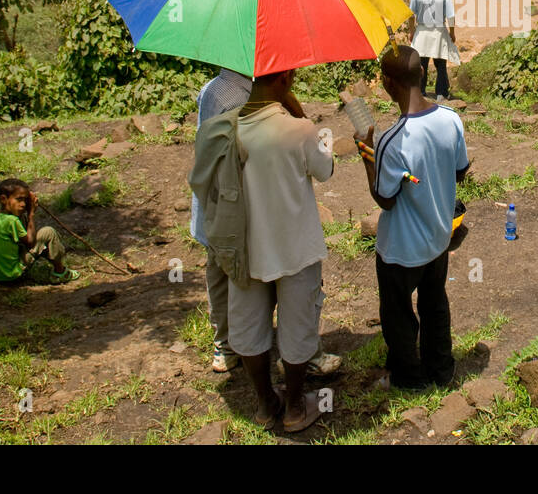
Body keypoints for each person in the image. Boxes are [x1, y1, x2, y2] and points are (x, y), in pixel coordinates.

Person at [353, 45, 469, 391]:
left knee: (398, 313)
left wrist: (366, 154)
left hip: (401, 249)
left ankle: (409, 377)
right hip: (438, 237)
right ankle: (441, 367)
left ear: (388, 84)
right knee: (435, 303)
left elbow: (385, 199)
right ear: (423, 74)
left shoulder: (391, 140)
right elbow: (460, 172)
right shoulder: (450, 118)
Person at [224, 69, 334, 433]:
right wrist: (302, 117)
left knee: (249, 327)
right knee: (298, 326)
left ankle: (264, 402)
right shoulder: (299, 130)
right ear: (284, 79)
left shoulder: (228, 130)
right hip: (294, 250)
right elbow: (326, 169)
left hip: (245, 249)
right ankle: (294, 407)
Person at [190, 67, 254, 373]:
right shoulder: (241, 98)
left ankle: (224, 344)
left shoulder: (212, 88)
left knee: (216, 272)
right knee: (236, 272)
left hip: (210, 198)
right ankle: (239, 341)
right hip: (228, 202)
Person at [0, 178, 79, 284]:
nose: (23, 204)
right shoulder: (11, 221)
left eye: (25, 200)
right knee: (48, 232)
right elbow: (30, 242)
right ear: (3, 199)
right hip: (11, 275)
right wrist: (31, 214)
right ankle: (60, 272)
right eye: (19, 199)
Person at [408, 0, 460, 100]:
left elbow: (410, 15)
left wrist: (411, 31)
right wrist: (452, 32)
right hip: (438, 30)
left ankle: (420, 92)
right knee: (441, 64)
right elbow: (450, 16)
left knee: (421, 63)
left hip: (422, 30)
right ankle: (441, 93)